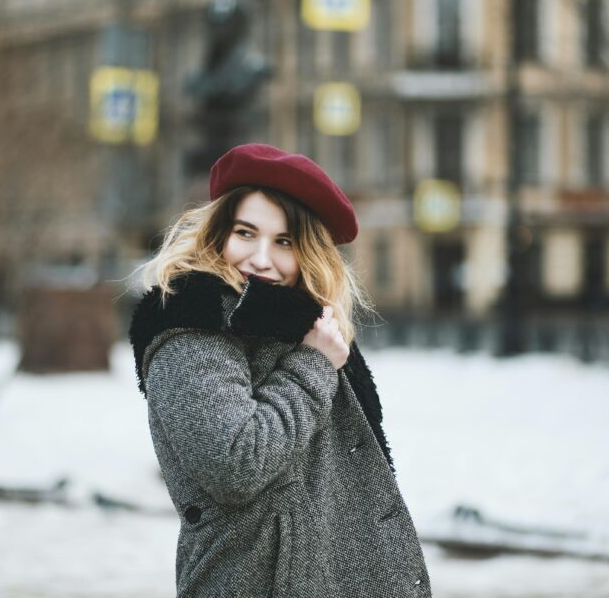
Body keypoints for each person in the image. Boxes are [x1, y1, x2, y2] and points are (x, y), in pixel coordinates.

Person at [129, 143, 431, 597]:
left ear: (308, 253)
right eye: (245, 233)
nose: (261, 258)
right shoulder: (191, 325)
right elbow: (235, 462)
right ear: (218, 234)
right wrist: (312, 365)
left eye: (284, 242)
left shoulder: (301, 326)